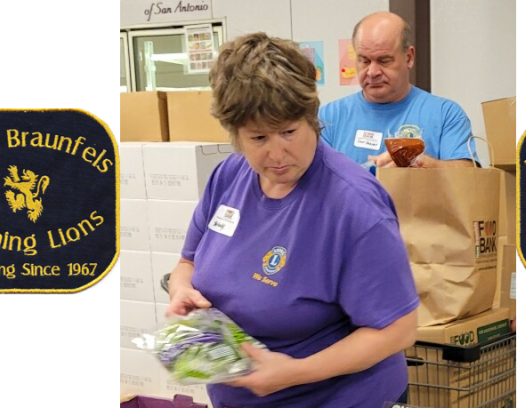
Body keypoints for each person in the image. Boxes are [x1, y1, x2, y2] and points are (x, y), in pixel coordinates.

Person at [164, 32, 419, 408]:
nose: (277, 153)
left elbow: (399, 330)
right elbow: (188, 262)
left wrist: (295, 372)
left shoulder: (354, 205)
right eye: (259, 137)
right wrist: (181, 290)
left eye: (288, 132)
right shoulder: (228, 177)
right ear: (235, 135)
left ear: (311, 118)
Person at [320, 11, 476, 168]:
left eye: (384, 61)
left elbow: (469, 177)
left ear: (409, 57)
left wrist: (422, 164)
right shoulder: (328, 118)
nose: (372, 72)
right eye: (364, 61)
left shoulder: (446, 115)